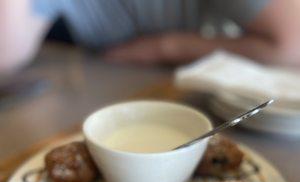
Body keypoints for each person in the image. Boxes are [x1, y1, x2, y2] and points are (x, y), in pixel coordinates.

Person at [1, 0, 300, 74]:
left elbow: (292, 43)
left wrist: (166, 47)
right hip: (94, 83)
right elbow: (7, 51)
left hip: (185, 83)